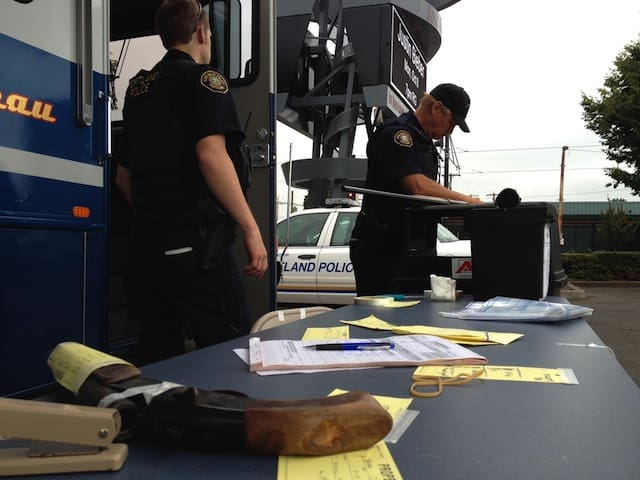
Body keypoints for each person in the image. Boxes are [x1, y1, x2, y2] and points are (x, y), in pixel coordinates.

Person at [116, 0, 267, 363]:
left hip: (148, 245)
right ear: (201, 32)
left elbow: (123, 176)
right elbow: (211, 157)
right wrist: (251, 228)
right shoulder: (204, 80)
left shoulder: (137, 89)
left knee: (160, 353)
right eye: (210, 34)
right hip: (198, 246)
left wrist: (156, 216)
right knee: (229, 351)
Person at [349, 83, 482, 296]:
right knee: (382, 314)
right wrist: (469, 201)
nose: (451, 131)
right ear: (436, 108)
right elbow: (418, 187)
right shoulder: (396, 135)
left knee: (417, 312)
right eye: (452, 122)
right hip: (382, 248)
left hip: (415, 246)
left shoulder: (424, 142)